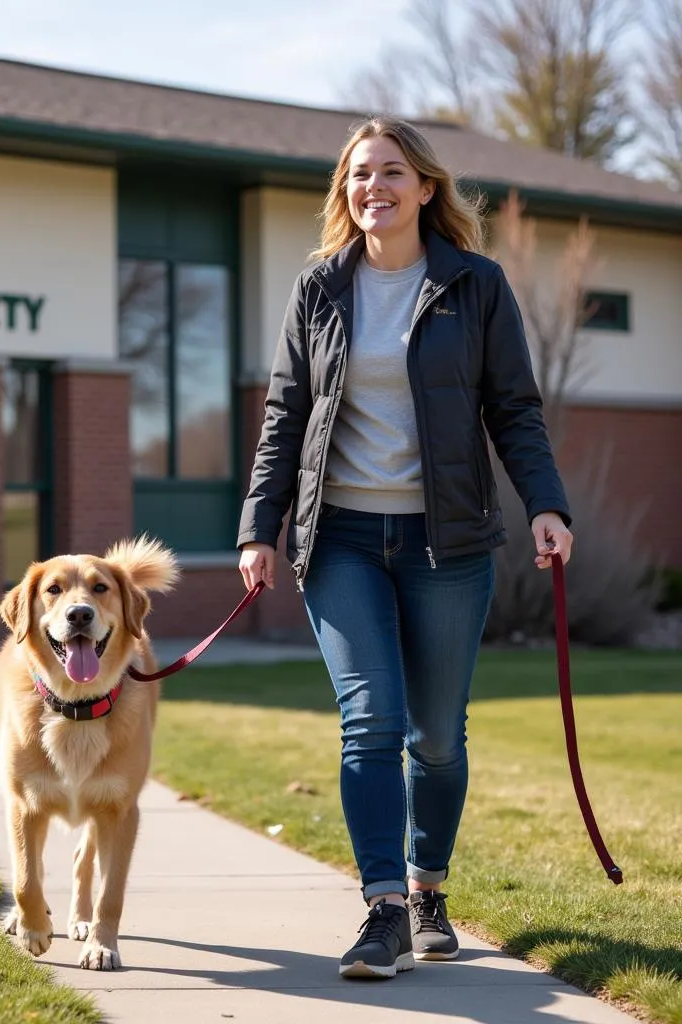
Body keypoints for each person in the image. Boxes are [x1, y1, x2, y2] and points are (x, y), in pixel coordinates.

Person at [236, 116, 573, 981]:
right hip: (340, 537)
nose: (372, 187)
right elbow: (283, 416)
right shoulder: (319, 287)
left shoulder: (476, 284)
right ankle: (383, 907)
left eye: (390, 172)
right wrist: (257, 527)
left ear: (427, 187)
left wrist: (546, 503)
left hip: (446, 541)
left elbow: (514, 409)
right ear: (344, 193)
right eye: (357, 175)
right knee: (370, 723)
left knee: (436, 738)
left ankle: (428, 889)